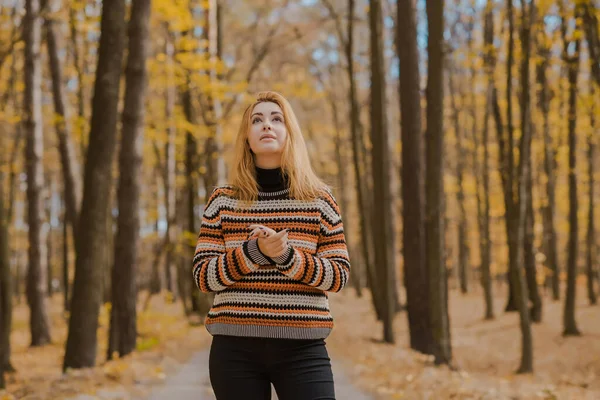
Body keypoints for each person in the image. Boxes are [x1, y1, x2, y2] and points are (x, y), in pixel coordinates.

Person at [192, 91, 351, 400]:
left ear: (289, 133)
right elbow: (203, 276)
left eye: (276, 119)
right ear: (247, 138)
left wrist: (286, 256)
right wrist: (254, 253)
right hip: (234, 351)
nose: (267, 125)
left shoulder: (319, 199)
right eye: (257, 120)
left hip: (303, 348)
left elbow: (338, 276)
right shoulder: (223, 200)